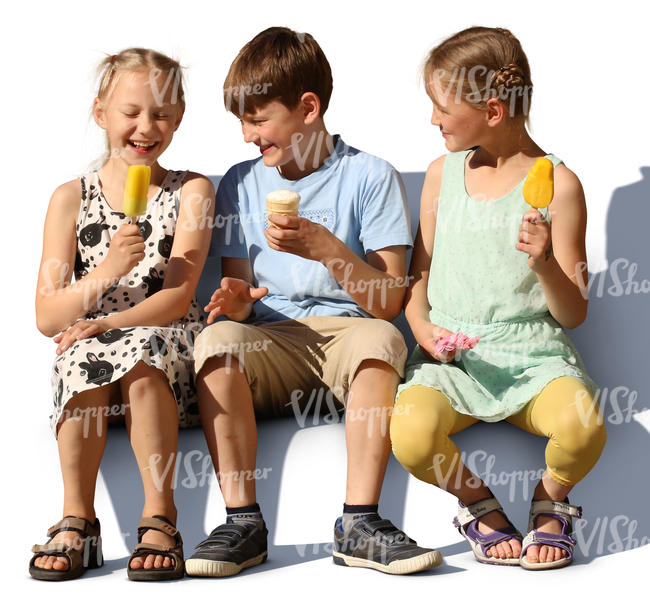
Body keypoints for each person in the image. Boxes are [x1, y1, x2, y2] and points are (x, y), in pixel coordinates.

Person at [186, 26, 441, 577]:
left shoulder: (369, 177)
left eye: (257, 119)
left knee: (382, 338)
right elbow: (242, 295)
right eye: (242, 121)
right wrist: (235, 303)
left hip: (347, 336)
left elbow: (388, 301)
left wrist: (327, 249)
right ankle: (242, 522)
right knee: (214, 340)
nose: (248, 135)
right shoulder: (240, 183)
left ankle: (360, 523)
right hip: (272, 340)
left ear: (308, 107)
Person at [389, 26, 607, 570]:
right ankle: (477, 503)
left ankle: (551, 501)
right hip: (454, 358)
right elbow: (420, 275)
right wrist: (421, 329)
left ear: (490, 110)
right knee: (412, 438)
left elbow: (574, 311)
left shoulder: (559, 184)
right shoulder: (443, 175)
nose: (432, 120)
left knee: (583, 425)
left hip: (531, 356)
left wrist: (544, 263)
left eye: (440, 107)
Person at [30, 48, 213, 581]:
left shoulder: (192, 190)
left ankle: (160, 514)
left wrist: (111, 322)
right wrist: (107, 272)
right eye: (131, 112)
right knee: (77, 351)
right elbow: (46, 314)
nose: (145, 127)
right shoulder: (71, 197)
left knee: (141, 349)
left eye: (160, 114)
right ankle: (77, 520)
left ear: (178, 119)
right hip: (89, 343)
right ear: (100, 113)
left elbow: (178, 298)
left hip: (163, 337)